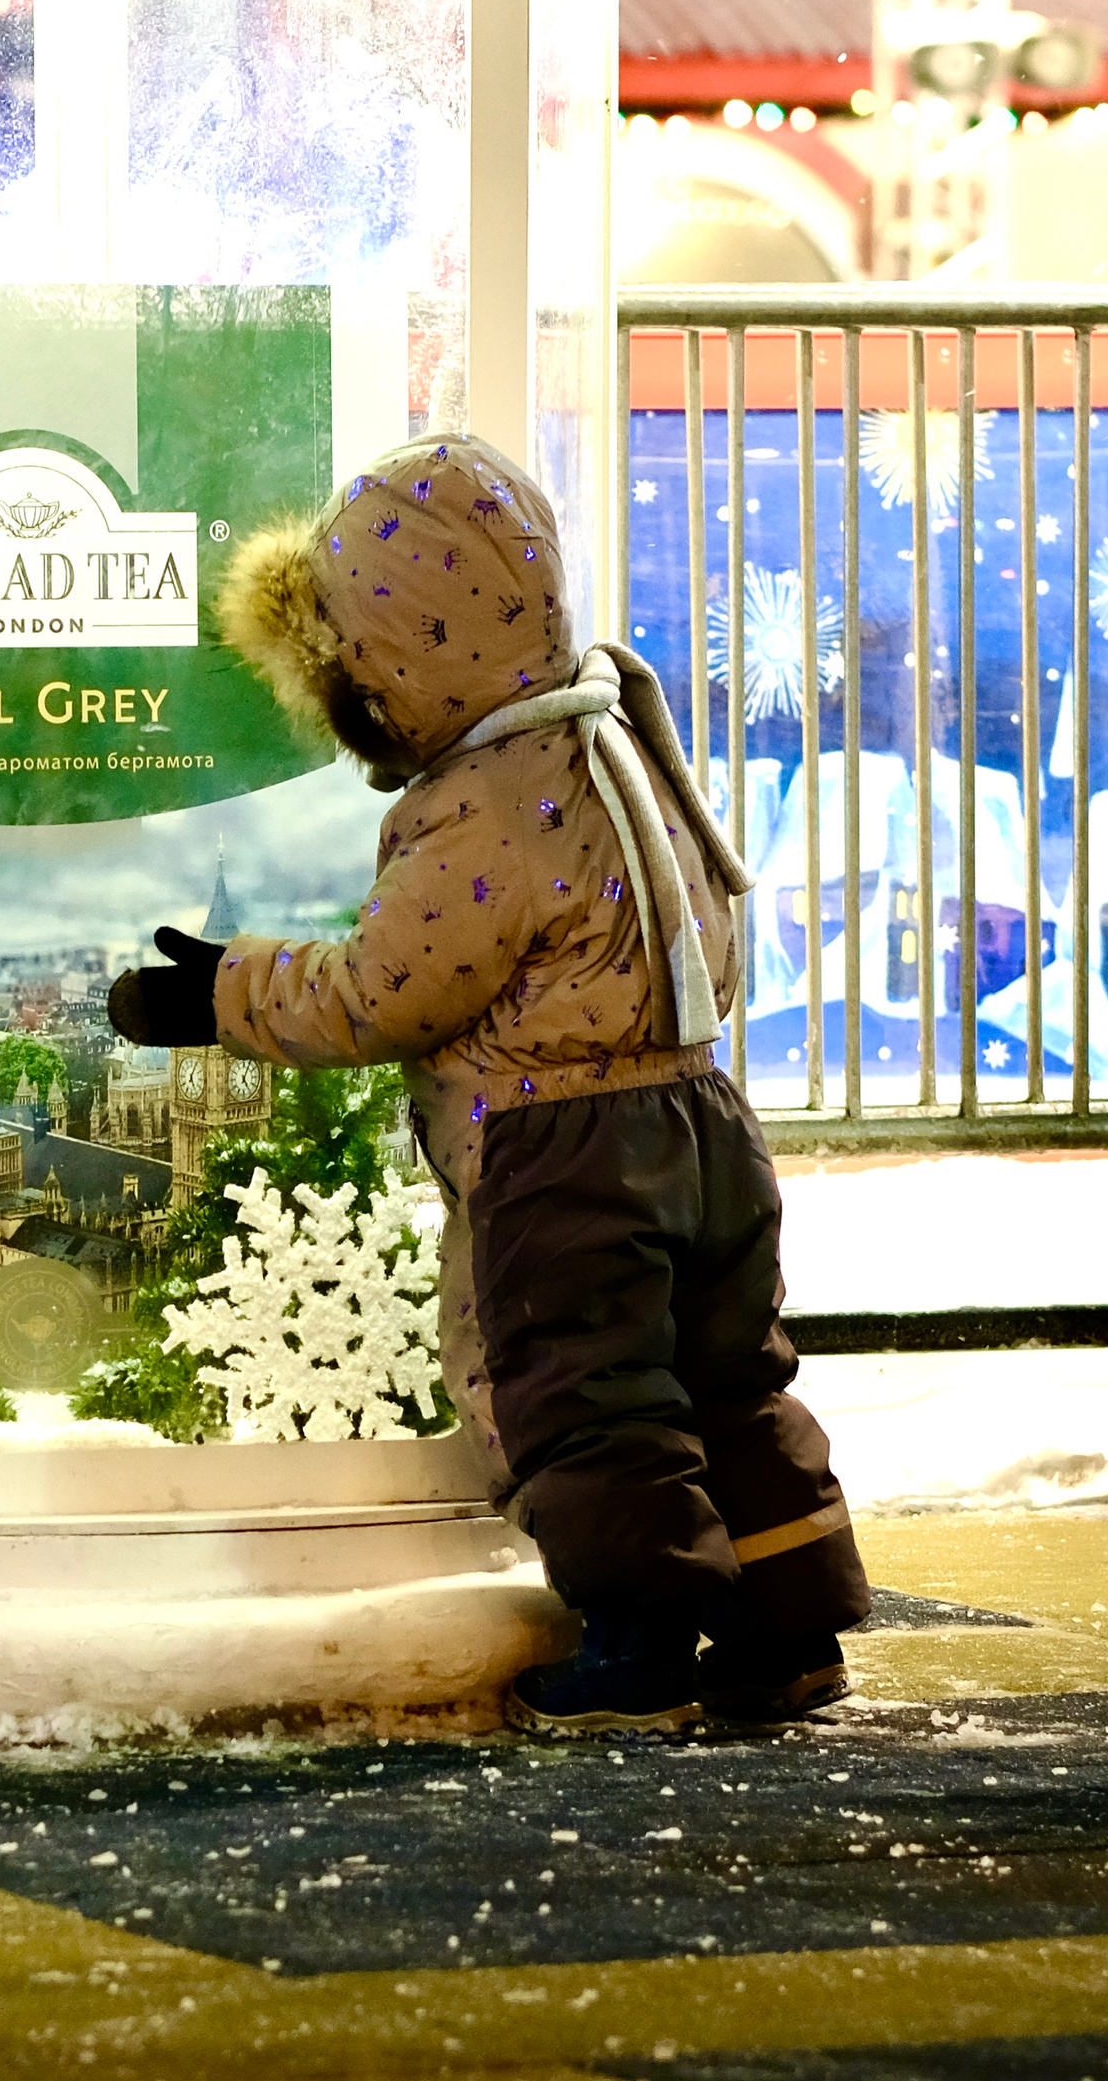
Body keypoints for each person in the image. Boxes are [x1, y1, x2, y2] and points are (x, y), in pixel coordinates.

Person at [107, 431, 871, 1739]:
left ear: (395, 665)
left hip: (567, 1156)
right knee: (726, 1375)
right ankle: (787, 1626)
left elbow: (385, 989)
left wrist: (227, 990)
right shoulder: (616, 731)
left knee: (584, 1398)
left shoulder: (482, 801)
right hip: (703, 1124)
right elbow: (720, 925)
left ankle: (639, 1643)